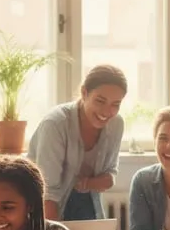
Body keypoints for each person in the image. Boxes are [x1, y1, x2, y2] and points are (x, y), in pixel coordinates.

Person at [28, 64, 127, 221]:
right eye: (100, 101)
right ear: (84, 93)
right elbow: (47, 194)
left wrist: (85, 184)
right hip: (46, 209)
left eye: (115, 104)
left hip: (86, 205)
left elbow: (109, 176)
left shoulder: (116, 124)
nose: (107, 112)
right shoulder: (55, 124)